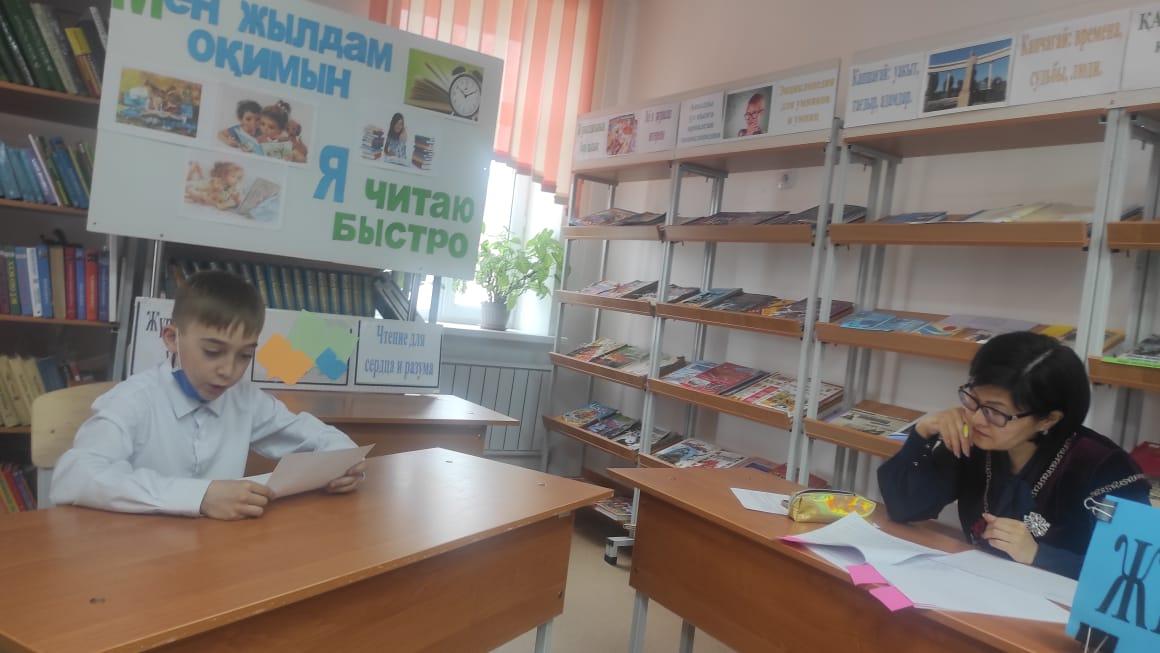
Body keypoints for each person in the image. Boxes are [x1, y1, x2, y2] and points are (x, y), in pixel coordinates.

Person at [51, 271, 366, 520]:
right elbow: (76, 476)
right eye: (213, 351)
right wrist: (199, 497)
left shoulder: (245, 399)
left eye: (244, 355)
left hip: (215, 552)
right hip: (137, 557)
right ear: (172, 339)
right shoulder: (134, 400)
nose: (229, 371)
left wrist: (340, 466)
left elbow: (324, 439)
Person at [878, 331, 1150, 579]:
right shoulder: (974, 441)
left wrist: (1039, 555)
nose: (976, 418)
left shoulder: (1102, 466)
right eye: (973, 399)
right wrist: (921, 434)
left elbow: (1132, 575)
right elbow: (904, 508)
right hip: (979, 587)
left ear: (1048, 419)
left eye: (995, 412)